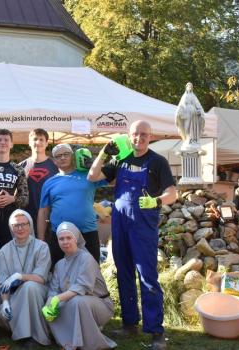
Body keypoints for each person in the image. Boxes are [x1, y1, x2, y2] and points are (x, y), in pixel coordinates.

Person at [88, 120, 177, 350]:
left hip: (143, 227)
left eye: (144, 134)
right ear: (129, 136)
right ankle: (130, 324)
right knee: (123, 273)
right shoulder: (120, 159)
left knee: (147, 277)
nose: (139, 138)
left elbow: (172, 193)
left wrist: (156, 200)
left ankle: (156, 332)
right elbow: (92, 176)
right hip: (120, 224)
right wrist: (104, 154)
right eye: (135, 134)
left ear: (150, 136)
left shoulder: (158, 161)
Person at [43, 222, 116, 350]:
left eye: (68, 238)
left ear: (76, 239)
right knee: (54, 306)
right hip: (76, 303)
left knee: (77, 301)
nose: (65, 242)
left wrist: (57, 299)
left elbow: (81, 287)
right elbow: (54, 289)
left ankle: (83, 344)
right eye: (61, 239)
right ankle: (69, 339)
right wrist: (49, 302)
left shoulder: (86, 258)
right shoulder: (59, 264)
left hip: (101, 305)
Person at [37, 143, 107, 265]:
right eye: (58, 156)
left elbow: (115, 178)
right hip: (60, 235)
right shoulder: (49, 183)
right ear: (54, 161)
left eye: (66, 154)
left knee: (92, 271)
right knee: (58, 272)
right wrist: (41, 239)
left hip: (88, 233)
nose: (63, 158)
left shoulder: (90, 175)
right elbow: (43, 212)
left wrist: (98, 165)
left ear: (72, 156)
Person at [0, 209, 51, 347]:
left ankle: (32, 336)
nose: (20, 228)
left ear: (30, 225)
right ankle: (20, 328)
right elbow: (3, 283)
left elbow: (41, 278)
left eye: (23, 224)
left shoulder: (42, 247)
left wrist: (19, 276)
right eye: (16, 225)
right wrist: (6, 302)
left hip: (39, 291)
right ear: (11, 228)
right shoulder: (4, 251)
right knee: (6, 311)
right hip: (15, 295)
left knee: (29, 286)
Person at [19, 128, 58, 234]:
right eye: (35, 139)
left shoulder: (56, 166)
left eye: (41, 139)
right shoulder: (21, 166)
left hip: (49, 219)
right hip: (26, 218)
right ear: (29, 142)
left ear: (46, 143)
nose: (38, 142)